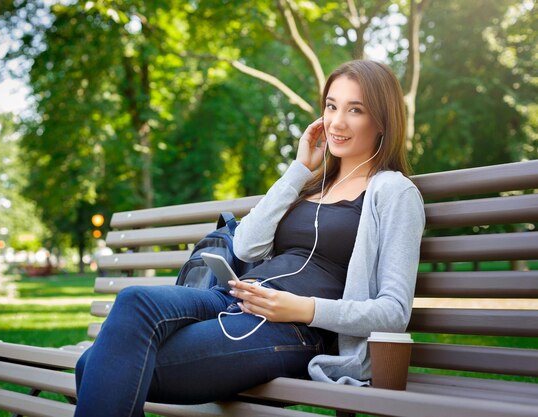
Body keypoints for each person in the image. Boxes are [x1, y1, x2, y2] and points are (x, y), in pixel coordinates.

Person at [74, 59, 425, 416]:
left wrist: (302, 308)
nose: (336, 121)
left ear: (381, 121)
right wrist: (300, 168)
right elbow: (245, 245)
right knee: (135, 301)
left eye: (355, 110)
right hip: (231, 298)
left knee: (94, 367)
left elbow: (394, 312)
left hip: (294, 330)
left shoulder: (394, 191)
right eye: (331, 106)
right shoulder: (309, 185)